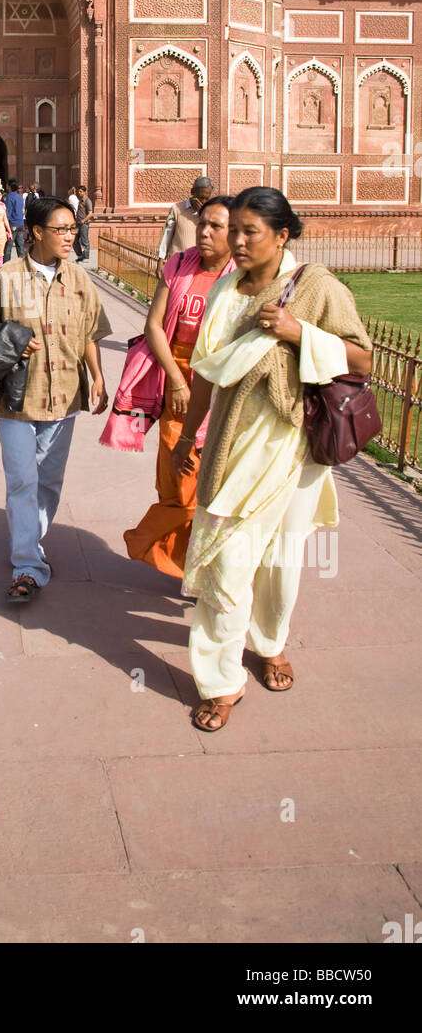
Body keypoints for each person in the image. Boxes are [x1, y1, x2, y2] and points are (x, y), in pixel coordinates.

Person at [170, 187, 373, 732]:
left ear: (282, 236)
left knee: (281, 566)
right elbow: (208, 375)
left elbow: (361, 356)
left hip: (294, 449)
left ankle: (270, 643)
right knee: (226, 562)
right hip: (233, 448)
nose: (234, 241)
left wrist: (298, 331)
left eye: (248, 231)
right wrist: (188, 439)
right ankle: (219, 681)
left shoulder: (316, 289)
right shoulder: (225, 292)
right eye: (231, 228)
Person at [0, 195, 111, 604]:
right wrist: (10, 341)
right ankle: (27, 564)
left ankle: (32, 538)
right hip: (14, 398)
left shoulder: (79, 279)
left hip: (64, 395)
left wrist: (97, 377)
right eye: (62, 229)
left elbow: (90, 333)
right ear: (36, 232)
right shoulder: (8, 276)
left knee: (48, 480)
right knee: (22, 480)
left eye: (73, 228)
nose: (71, 235)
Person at [117, 197, 235, 580]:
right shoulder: (179, 265)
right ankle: (182, 562)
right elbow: (154, 326)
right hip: (177, 385)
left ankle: (170, 550)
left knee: (216, 485)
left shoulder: (240, 279)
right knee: (178, 482)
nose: (204, 231)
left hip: (222, 389)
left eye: (216, 226)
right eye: (202, 223)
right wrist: (179, 382)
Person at [156, 177, 214, 281]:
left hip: (199, 266)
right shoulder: (177, 209)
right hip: (178, 264)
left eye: (206, 198)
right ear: (192, 192)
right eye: (200, 197)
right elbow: (167, 235)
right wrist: (160, 261)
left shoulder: (210, 212)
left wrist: (202, 214)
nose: (203, 201)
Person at [4, 179, 26, 261]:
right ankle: (23, 265)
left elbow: (8, 212)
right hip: (20, 223)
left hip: (12, 224)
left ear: (9, 186)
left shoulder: (9, 196)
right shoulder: (19, 197)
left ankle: (6, 266)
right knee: (20, 247)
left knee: (8, 248)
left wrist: (6, 225)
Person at [73, 184, 94, 263]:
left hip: (84, 224)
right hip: (78, 223)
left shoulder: (87, 201)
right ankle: (80, 255)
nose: (79, 193)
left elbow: (90, 213)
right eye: (78, 191)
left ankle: (86, 257)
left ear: (85, 192)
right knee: (75, 241)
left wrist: (83, 220)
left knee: (84, 241)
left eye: (81, 191)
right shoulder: (80, 200)